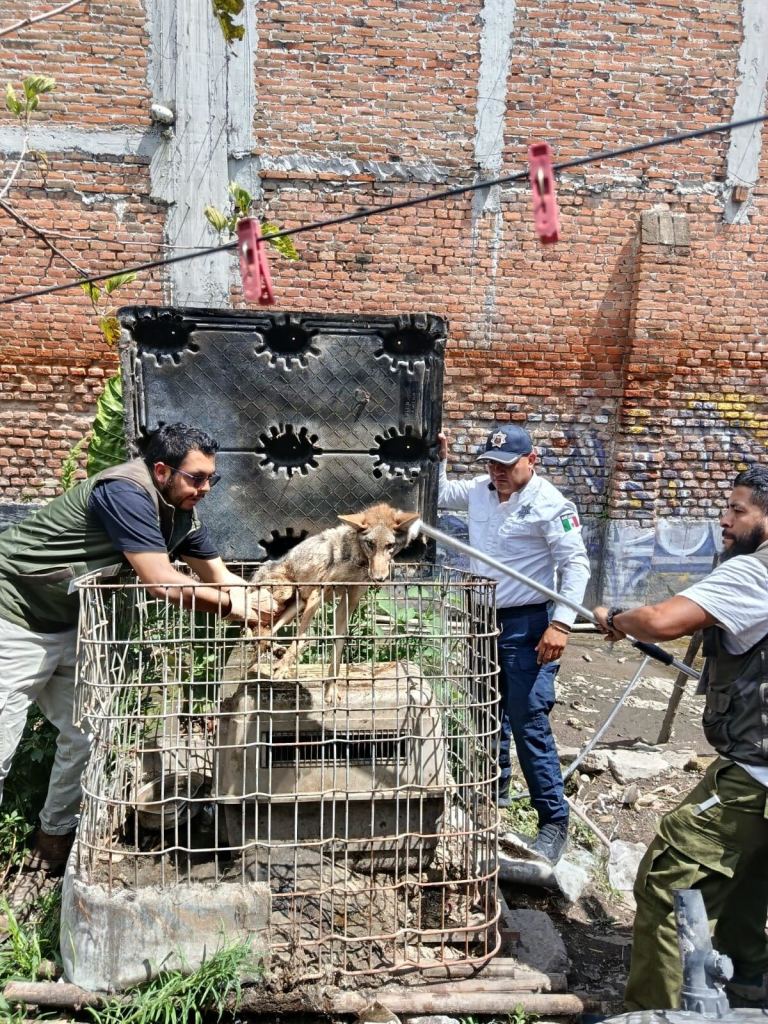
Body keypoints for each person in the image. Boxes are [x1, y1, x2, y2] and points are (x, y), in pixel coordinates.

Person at [0, 422, 273, 875]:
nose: (205, 488)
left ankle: (52, 842)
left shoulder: (180, 512)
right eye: (196, 477)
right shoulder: (125, 492)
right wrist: (234, 608)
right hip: (12, 612)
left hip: (66, 623)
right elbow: (163, 583)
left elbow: (222, 579)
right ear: (162, 469)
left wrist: (271, 601)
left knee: (83, 735)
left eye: (212, 478)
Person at [594, 463, 768, 1012]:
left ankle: (658, 1012)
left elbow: (665, 619)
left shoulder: (753, 574)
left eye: (738, 509)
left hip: (754, 773)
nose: (724, 519)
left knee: (669, 881)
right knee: (748, 879)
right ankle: (750, 989)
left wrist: (618, 617)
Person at [438, 424, 590, 863]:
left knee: (528, 721)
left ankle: (553, 821)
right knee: (487, 712)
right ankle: (493, 797)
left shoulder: (551, 505)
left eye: (506, 465)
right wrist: (441, 455)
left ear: (532, 460)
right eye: (490, 463)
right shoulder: (481, 490)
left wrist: (561, 624)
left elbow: (575, 566)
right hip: (481, 619)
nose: (497, 472)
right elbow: (442, 491)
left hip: (529, 625)